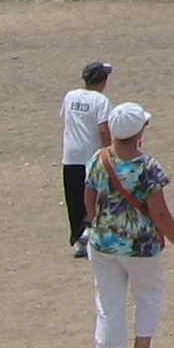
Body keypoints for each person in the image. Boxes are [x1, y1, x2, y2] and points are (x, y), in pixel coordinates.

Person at [85, 102, 174, 348]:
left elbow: (89, 199)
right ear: (139, 131)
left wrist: (98, 223)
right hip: (140, 245)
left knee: (109, 302)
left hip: (102, 242)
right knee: (148, 296)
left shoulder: (99, 159)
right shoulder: (147, 166)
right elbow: (159, 212)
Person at [59, 62, 113, 257]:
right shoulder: (101, 101)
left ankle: (78, 240)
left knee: (74, 199)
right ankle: (89, 233)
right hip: (91, 157)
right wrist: (109, 151)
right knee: (94, 198)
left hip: (70, 155)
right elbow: (103, 129)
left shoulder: (70, 96)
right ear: (103, 81)